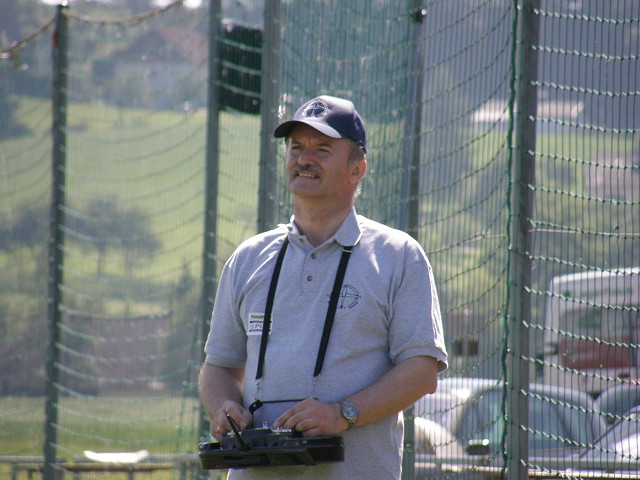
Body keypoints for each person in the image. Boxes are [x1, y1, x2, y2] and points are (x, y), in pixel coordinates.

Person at [199, 95, 448, 479]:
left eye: (322, 148)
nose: (304, 158)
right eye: (296, 147)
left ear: (357, 170)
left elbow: (421, 370)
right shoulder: (248, 258)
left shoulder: (398, 255)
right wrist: (223, 408)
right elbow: (219, 366)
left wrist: (342, 414)